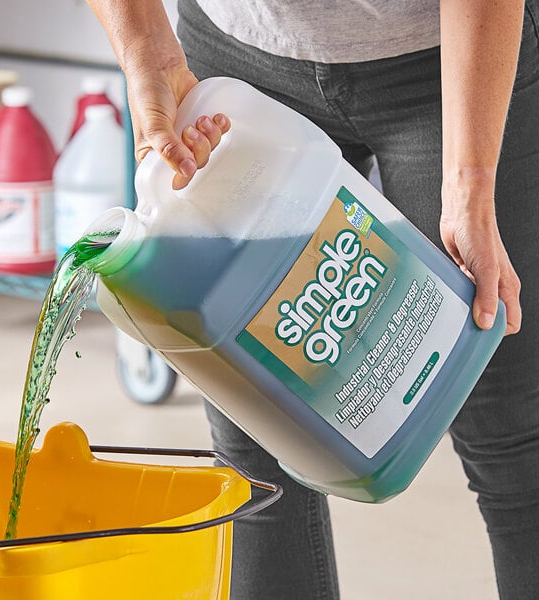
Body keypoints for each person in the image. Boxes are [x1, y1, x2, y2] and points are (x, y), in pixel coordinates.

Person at [86, 1, 538, 598]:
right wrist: (150, 53)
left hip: (444, 58)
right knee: (258, 451)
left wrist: (471, 188)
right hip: (238, 50)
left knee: (510, 429)